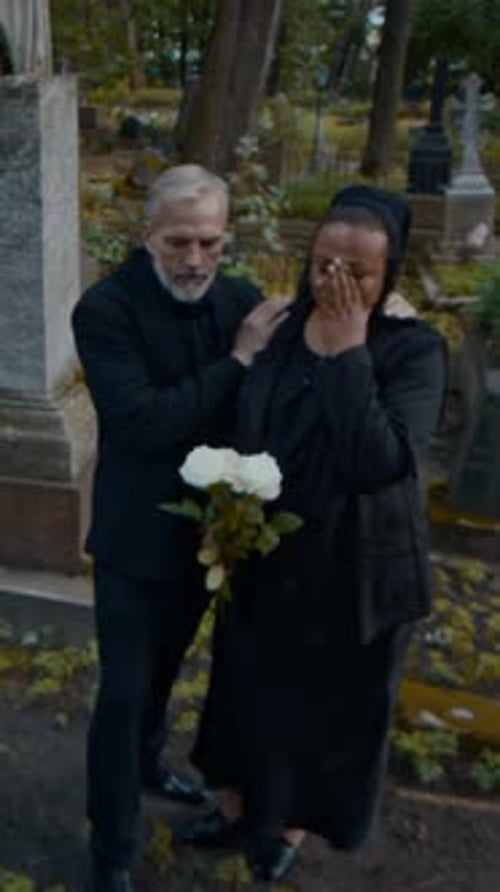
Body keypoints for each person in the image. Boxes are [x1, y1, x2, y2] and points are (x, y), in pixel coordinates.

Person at [179, 185, 447, 882]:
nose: (335, 282)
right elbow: (249, 423)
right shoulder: (279, 327)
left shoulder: (413, 350)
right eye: (324, 262)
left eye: (357, 271)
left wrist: (350, 352)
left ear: (389, 275)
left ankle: (289, 826)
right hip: (269, 553)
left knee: (325, 708)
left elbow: (378, 462)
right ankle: (238, 807)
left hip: (356, 566)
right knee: (247, 688)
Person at [71, 164, 291, 892]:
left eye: (209, 243)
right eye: (178, 243)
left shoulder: (241, 301)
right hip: (134, 541)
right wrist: (236, 361)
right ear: (147, 237)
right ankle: (112, 849)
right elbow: (143, 423)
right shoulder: (104, 309)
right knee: (125, 691)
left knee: (163, 679)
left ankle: (147, 762)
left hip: (208, 540)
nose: (195, 261)